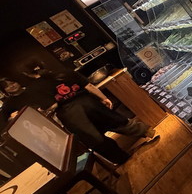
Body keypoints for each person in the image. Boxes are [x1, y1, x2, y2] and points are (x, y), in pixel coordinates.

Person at [1, 66, 157, 165]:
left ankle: (121, 158)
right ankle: (147, 131)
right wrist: (103, 98)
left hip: (70, 113)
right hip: (89, 102)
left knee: (94, 138)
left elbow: (52, 105)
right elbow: (89, 85)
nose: (13, 85)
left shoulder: (35, 88)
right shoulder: (65, 71)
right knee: (116, 121)